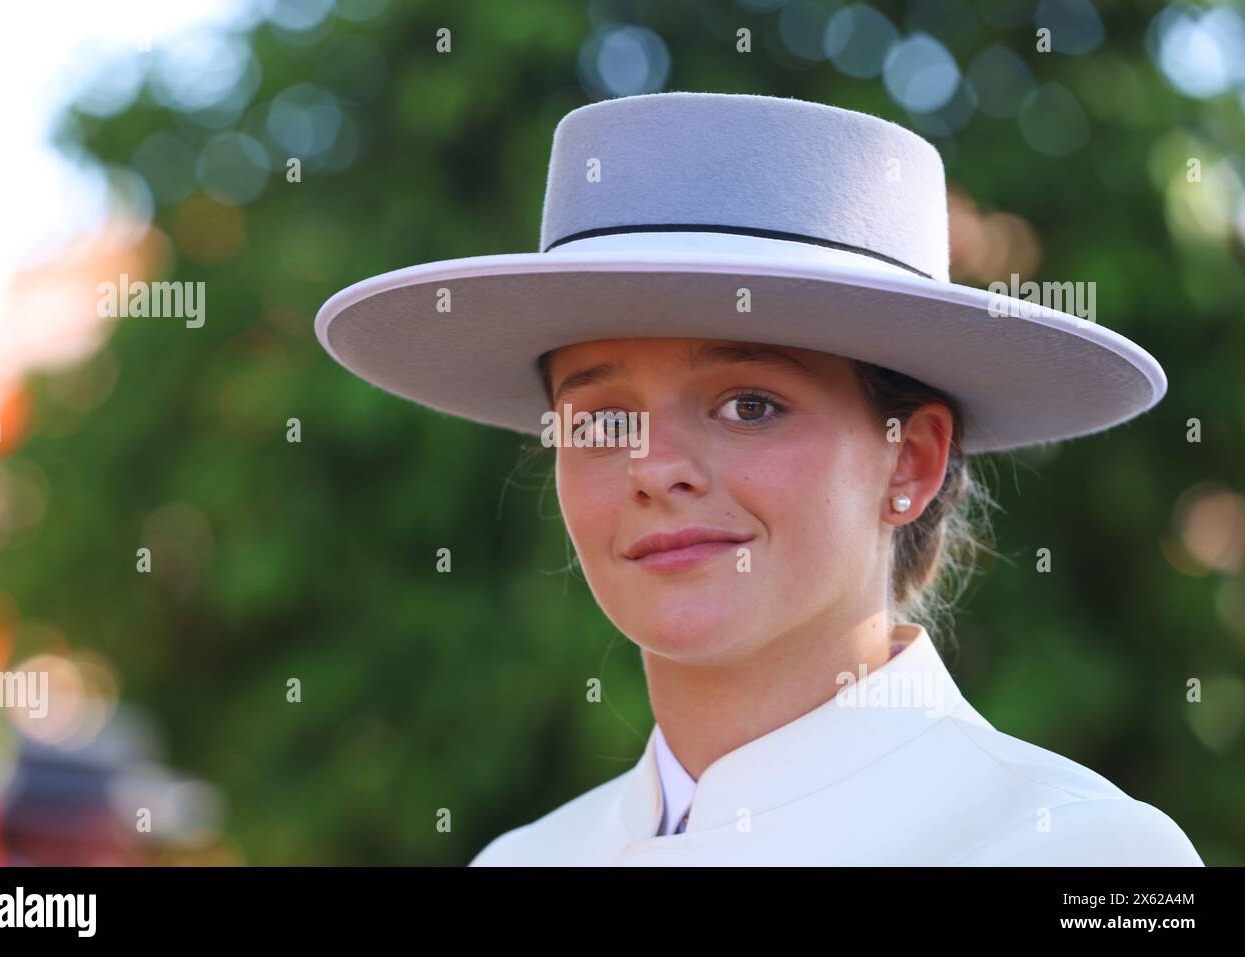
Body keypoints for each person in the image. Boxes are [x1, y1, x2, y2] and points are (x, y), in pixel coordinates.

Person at [315, 92, 1202, 866]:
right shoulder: (522, 860)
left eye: (749, 405)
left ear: (912, 458)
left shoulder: (1081, 855)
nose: (656, 468)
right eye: (602, 420)